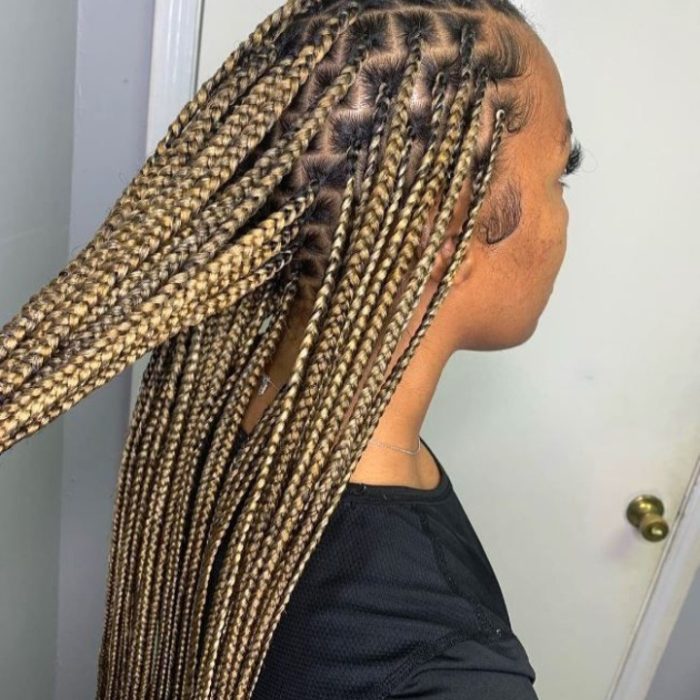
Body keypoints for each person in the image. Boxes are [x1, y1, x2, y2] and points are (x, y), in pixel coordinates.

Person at [0, 0, 582, 697]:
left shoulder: (215, 413)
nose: (564, 212)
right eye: (562, 171)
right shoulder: (447, 670)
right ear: (443, 228)